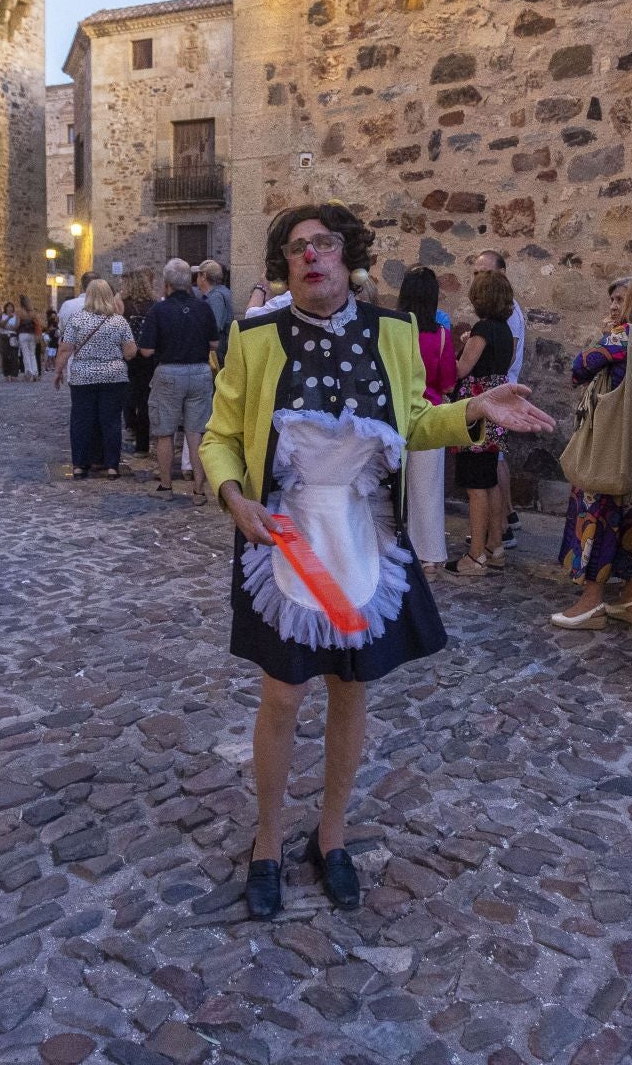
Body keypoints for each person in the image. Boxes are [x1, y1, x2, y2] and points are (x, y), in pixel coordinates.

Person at [203, 202, 554, 920]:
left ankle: (330, 837)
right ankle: (266, 841)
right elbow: (220, 435)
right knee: (281, 695)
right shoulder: (254, 338)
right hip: (285, 538)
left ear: (348, 255)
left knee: (350, 691)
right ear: (285, 264)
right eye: (297, 247)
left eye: (324, 244)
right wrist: (233, 496)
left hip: (363, 536)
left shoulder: (393, 332)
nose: (311, 256)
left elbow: (414, 422)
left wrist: (477, 409)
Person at [554, 272, 632, 630]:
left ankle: (591, 602)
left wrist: (607, 334)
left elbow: (579, 368)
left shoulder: (622, 338)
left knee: (601, 511)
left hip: (618, 441)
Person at [446, 271, 518, 577]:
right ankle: (495, 546)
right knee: (489, 480)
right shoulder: (504, 330)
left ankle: (475, 556)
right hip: (497, 409)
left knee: (475, 486)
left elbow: (461, 370)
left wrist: (447, 353)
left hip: (477, 412)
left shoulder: (483, 328)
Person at [138, 258, 219, 503]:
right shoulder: (203, 307)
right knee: (196, 434)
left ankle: (166, 486)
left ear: (167, 283)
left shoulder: (158, 311)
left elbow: (146, 350)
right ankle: (198, 490)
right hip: (200, 372)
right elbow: (214, 343)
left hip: (170, 371)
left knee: (165, 433)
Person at [398, 267, 456, 570]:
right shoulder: (442, 336)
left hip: (394, 413)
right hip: (428, 413)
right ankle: (430, 556)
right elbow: (447, 382)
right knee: (428, 490)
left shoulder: (392, 331)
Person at [54, 279, 138, 479]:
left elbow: (65, 349)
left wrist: (58, 372)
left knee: (81, 421)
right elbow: (130, 352)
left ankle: (80, 465)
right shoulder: (119, 321)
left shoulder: (77, 319)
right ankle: (111, 466)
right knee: (110, 422)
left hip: (83, 376)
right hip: (113, 377)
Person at [473, 251, 526, 548]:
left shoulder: (508, 314)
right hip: (499, 390)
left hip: (497, 391)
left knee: (493, 463)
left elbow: (507, 355)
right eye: (476, 272)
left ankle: (501, 527)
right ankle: (507, 517)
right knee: (497, 459)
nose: (480, 278)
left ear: (502, 274)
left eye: (486, 272)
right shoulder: (502, 312)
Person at [122, 270, 159, 455]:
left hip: (128, 355)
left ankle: (131, 427)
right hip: (148, 356)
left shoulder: (122, 303)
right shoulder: (155, 304)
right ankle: (142, 446)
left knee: (128, 394)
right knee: (145, 400)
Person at [198, 259, 235, 365]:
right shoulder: (221, 292)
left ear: (203, 276)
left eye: (198, 275)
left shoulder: (215, 297)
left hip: (216, 352)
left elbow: (215, 327)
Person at [16, 302, 43, 380]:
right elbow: (38, 323)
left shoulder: (20, 313)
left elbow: (17, 325)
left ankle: (29, 373)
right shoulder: (33, 313)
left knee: (25, 354)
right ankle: (35, 372)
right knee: (32, 354)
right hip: (32, 334)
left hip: (23, 334)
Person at [0, 301, 22, 379]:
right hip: (4, 336)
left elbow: (16, 326)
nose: (10, 308)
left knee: (14, 355)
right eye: (8, 306)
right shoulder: (2, 315)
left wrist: (7, 326)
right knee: (5, 355)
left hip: (13, 336)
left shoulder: (16, 316)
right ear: (5, 308)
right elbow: (1, 325)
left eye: (11, 306)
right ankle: (7, 374)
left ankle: (14, 374)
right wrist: (8, 317)